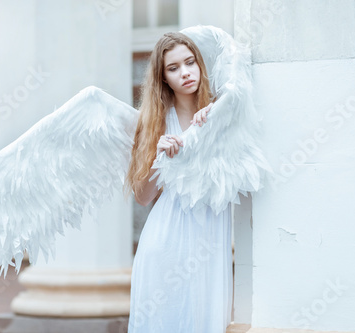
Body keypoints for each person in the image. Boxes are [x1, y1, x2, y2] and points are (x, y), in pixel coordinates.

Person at [126, 32, 233, 332]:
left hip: (210, 240)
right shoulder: (154, 123)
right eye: (173, 68)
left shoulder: (222, 111)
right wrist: (161, 158)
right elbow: (143, 197)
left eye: (190, 62)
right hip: (166, 242)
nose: (185, 72)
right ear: (163, 79)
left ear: (200, 64)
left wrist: (218, 120)